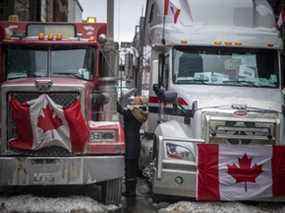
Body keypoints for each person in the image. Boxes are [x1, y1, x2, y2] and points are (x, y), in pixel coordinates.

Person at [117, 96, 148, 198]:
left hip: (130, 143)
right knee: (133, 168)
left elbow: (121, 110)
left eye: (136, 99)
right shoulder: (140, 112)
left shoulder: (133, 112)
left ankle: (129, 191)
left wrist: (114, 100)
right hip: (136, 142)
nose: (133, 99)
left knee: (129, 168)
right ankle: (132, 190)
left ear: (139, 102)